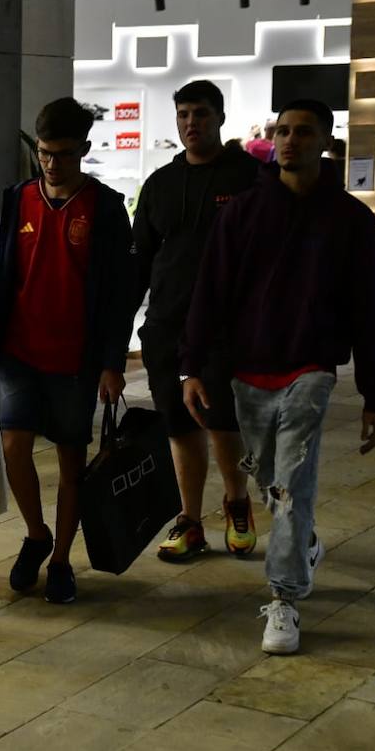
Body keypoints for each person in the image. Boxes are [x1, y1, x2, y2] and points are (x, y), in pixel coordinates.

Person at [182, 98, 375, 655]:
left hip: (311, 367)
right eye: (282, 131)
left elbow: (371, 307)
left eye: (303, 132)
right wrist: (193, 365)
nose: (290, 140)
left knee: (294, 480)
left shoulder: (349, 220)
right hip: (248, 369)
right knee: (272, 483)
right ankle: (303, 543)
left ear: (324, 141)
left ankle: (284, 597)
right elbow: (211, 290)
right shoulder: (243, 213)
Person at [0, 97, 134, 605]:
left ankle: (62, 558)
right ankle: (36, 533)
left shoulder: (106, 208)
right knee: (15, 447)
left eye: (62, 153)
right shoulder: (16, 199)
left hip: (76, 361)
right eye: (44, 152)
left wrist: (112, 362)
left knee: (70, 462)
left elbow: (119, 296)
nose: (51, 162)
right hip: (19, 352)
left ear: (84, 149)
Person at [131, 81, 261, 564]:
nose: (191, 123)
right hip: (167, 326)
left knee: (223, 420)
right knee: (179, 425)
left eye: (201, 114)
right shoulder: (161, 184)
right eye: (184, 114)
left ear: (220, 117)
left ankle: (237, 504)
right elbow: (139, 260)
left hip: (229, 329)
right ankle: (190, 521)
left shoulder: (250, 178)